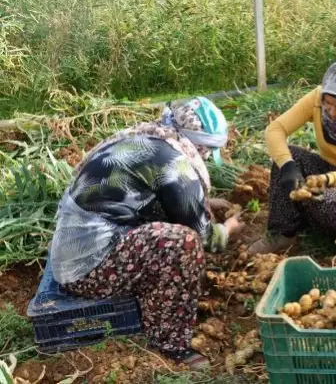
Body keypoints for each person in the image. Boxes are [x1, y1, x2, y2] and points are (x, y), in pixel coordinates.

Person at [50, 97, 244, 367]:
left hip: (73, 254)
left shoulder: (147, 140)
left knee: (173, 234)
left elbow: (146, 193)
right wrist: (227, 229)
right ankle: (171, 344)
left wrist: (204, 202)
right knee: (183, 243)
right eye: (208, 150)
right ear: (196, 143)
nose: (208, 157)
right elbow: (204, 236)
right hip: (88, 272)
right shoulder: (175, 164)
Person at [249, 57, 336, 255]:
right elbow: (276, 129)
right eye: (328, 104)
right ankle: (283, 234)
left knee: (325, 201)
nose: (333, 112)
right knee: (287, 157)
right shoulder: (317, 98)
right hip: (328, 167)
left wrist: (326, 180)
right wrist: (288, 165)